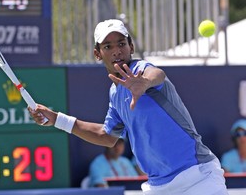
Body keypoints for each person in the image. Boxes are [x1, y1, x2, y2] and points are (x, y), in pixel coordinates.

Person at [29, 19, 228, 195]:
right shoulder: (115, 94)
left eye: (121, 44)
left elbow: (157, 74)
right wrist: (57, 119)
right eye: (108, 46)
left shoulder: (141, 70)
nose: (116, 50)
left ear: (131, 47)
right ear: (97, 54)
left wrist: (143, 83)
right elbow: (106, 136)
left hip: (198, 178)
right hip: (159, 187)